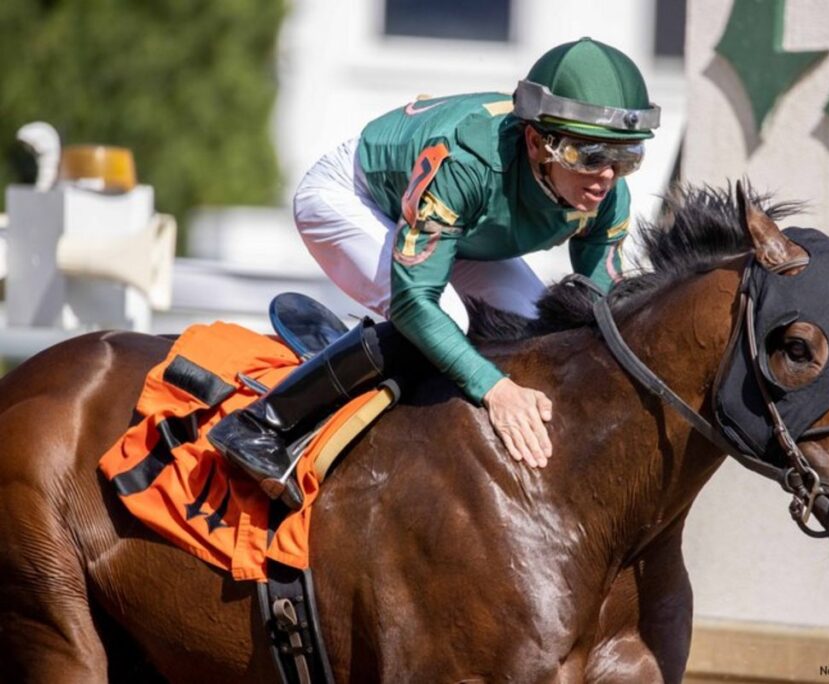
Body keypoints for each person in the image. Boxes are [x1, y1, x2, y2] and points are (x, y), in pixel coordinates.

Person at [209, 37, 660, 509]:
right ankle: (264, 422)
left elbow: (596, 312)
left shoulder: (606, 195)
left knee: (538, 327)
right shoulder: (466, 163)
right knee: (446, 316)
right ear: (535, 142)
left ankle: (366, 360)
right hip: (355, 198)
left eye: (626, 157)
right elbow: (413, 301)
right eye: (589, 155)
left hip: (459, 230)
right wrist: (495, 390)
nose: (607, 176)